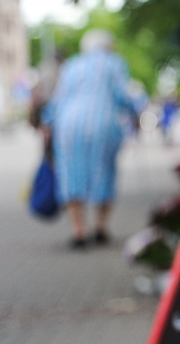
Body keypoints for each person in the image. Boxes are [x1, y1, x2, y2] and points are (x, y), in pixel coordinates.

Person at [43, 30, 139, 249]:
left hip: (68, 124)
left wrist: (47, 121)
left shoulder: (73, 64)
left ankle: (78, 231)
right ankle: (100, 228)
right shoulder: (114, 63)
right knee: (104, 172)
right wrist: (135, 111)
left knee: (72, 174)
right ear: (108, 46)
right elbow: (123, 95)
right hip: (103, 124)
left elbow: (59, 98)